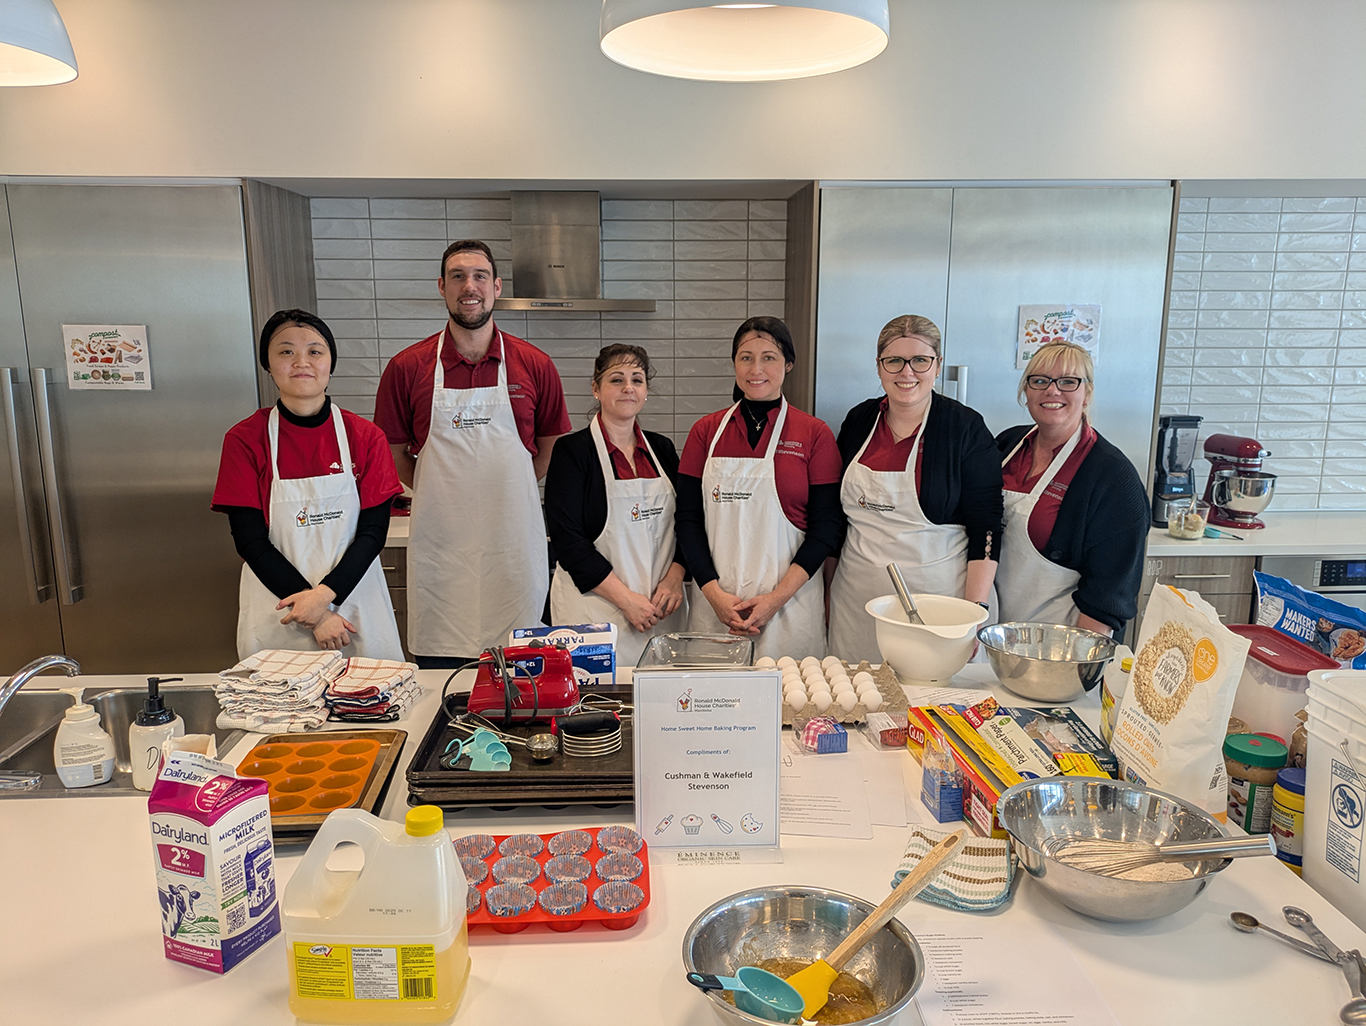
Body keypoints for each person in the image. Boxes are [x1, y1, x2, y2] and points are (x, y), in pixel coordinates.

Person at [373, 240, 572, 667]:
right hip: (442, 547)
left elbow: (551, 444)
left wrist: (512, 483)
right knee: (445, 679)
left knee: (522, 674)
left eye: (480, 276)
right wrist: (440, 490)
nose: (470, 286)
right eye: (458, 276)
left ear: (496, 287)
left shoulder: (535, 364)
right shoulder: (406, 367)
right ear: (442, 287)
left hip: (513, 544)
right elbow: (392, 451)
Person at [213, 309, 404, 660]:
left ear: (331, 363)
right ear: (268, 364)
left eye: (315, 351)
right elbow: (250, 540)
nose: (302, 362)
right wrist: (315, 613)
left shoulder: (365, 437)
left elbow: (373, 533)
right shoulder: (245, 440)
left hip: (355, 604)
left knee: (369, 692)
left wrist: (323, 598)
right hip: (280, 608)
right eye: (286, 351)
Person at [827, 315, 1003, 663]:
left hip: (941, 609)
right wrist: (827, 595)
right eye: (894, 360)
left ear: (937, 365)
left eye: (920, 360)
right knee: (856, 692)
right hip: (856, 605)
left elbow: (987, 525)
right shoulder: (859, 420)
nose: (907, 372)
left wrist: (974, 611)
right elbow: (837, 520)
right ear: (879, 366)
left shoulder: (964, 428)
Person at [675, 316, 843, 660]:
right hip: (717, 609)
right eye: (746, 357)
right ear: (734, 364)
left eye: (769, 357)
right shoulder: (705, 432)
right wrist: (714, 595)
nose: (756, 369)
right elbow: (688, 521)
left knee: (791, 691)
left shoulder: (814, 434)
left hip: (789, 610)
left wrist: (774, 600)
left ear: (788, 364)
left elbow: (826, 528)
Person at [545, 345, 688, 665]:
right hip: (595, 613)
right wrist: (627, 601)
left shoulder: (662, 450)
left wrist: (675, 578)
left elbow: (688, 522)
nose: (628, 387)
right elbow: (568, 541)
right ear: (596, 389)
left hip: (661, 612)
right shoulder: (572, 452)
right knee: (600, 696)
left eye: (637, 379)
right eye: (616, 379)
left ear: (646, 391)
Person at [995, 341, 1149, 635]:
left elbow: (1111, 590)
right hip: (992, 631)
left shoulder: (1113, 477)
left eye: (1068, 382)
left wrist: (1079, 656)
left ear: (1087, 394)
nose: (1052, 391)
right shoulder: (1006, 445)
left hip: (1058, 643)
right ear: (1026, 391)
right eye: (1040, 381)